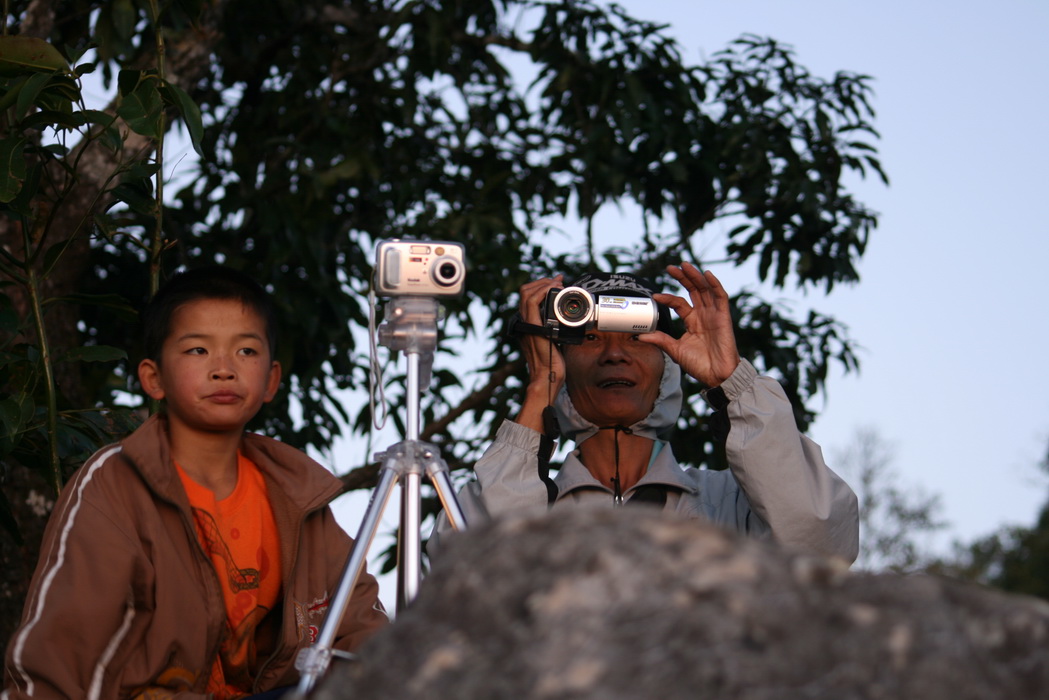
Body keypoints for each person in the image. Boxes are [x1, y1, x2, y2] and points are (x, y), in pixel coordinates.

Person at [3, 267, 388, 699]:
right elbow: (59, 652)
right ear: (154, 378)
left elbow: (364, 631)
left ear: (271, 380)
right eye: (198, 350)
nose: (224, 369)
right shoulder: (117, 485)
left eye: (246, 351)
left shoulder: (297, 494)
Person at [432, 262, 858, 562]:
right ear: (563, 360)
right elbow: (468, 578)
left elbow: (821, 543)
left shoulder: (729, 502)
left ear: (668, 367)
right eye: (591, 338)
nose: (614, 354)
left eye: (637, 337)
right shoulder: (529, 510)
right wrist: (541, 384)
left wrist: (733, 382)